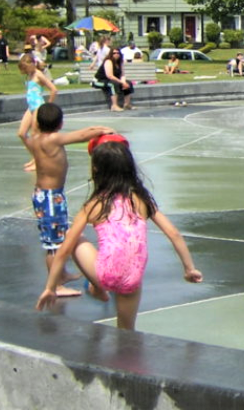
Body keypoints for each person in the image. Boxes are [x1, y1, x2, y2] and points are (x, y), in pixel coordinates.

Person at [36, 138, 203, 330]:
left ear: (96, 169)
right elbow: (173, 233)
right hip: (133, 277)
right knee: (126, 331)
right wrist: (189, 269)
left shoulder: (94, 204)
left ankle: (98, 288)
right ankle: (126, 355)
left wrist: (50, 287)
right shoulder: (142, 200)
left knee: (74, 240)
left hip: (105, 274)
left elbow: (64, 251)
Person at [23, 103, 114, 298]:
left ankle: (62, 275)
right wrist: (100, 131)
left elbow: (82, 132)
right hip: (50, 198)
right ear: (60, 123)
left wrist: (96, 129)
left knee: (56, 238)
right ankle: (55, 286)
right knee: (54, 245)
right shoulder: (54, 139)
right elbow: (80, 136)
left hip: (47, 195)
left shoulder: (37, 138)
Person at [18, 55, 57, 172]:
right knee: (21, 133)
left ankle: (39, 161)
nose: (26, 70)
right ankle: (35, 157)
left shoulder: (38, 74)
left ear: (33, 64)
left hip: (38, 107)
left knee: (35, 134)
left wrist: (48, 106)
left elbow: (54, 89)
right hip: (31, 107)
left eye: (27, 67)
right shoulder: (29, 75)